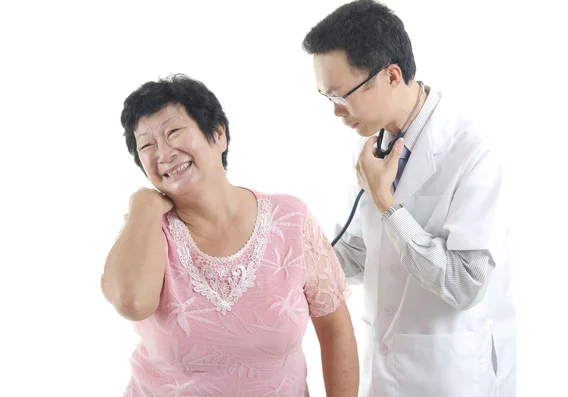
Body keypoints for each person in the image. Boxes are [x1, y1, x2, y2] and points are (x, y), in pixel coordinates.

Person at [302, 1, 516, 396]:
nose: (335, 112)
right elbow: (360, 253)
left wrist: (387, 204)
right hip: (383, 371)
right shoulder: (369, 149)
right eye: (325, 96)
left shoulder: (474, 148)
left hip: (447, 374)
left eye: (340, 95)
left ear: (392, 75)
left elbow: (465, 284)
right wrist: (281, 257)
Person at [100, 74, 359, 397]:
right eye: (146, 146)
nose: (163, 154)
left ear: (218, 134)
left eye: (174, 132)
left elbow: (337, 333)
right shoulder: (147, 229)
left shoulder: (290, 220)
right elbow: (131, 302)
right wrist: (142, 204)